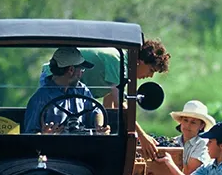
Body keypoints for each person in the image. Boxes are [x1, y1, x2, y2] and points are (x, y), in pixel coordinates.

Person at [38, 39, 170, 156]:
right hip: (55, 78)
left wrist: (107, 133)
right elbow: (120, 105)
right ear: (140, 61)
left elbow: (109, 104)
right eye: (151, 70)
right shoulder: (118, 62)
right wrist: (142, 136)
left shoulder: (121, 68)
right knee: (56, 127)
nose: (150, 76)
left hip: (75, 91)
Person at [23, 47, 107, 135]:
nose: (82, 73)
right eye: (82, 69)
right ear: (71, 70)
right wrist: (45, 135)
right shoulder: (40, 98)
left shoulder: (81, 89)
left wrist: (99, 127)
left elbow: (97, 110)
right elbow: (30, 134)